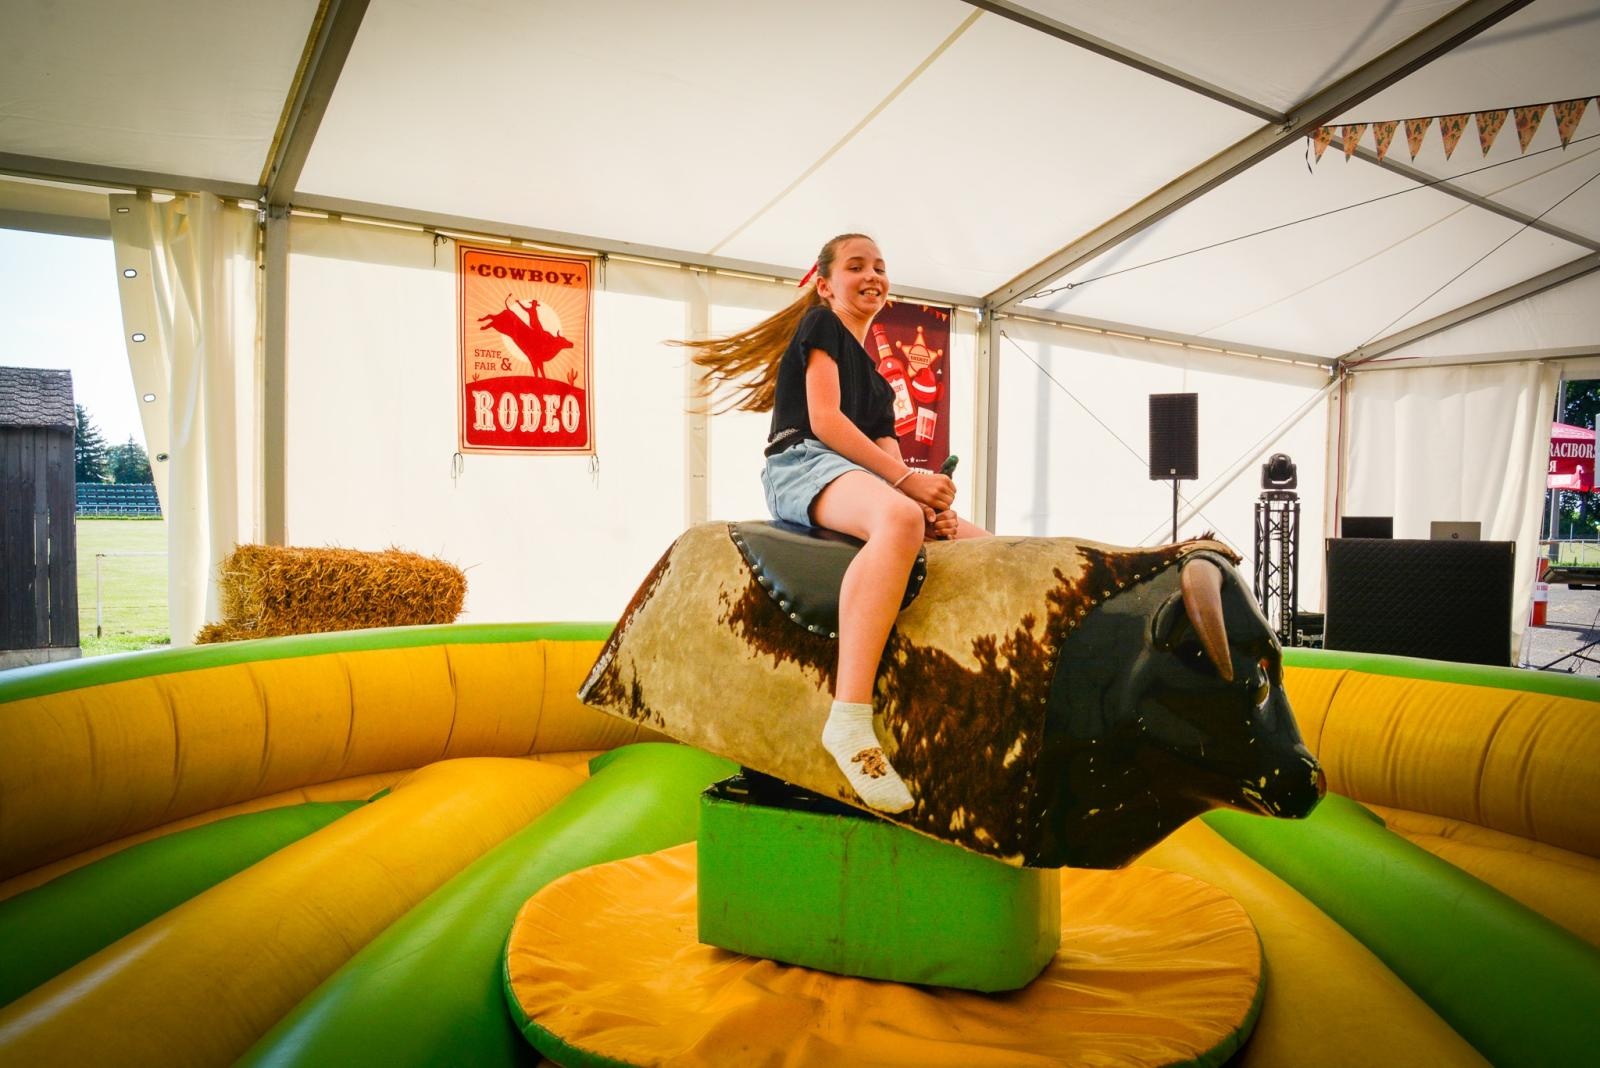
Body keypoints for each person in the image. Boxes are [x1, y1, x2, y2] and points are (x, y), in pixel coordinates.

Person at [685, 233, 988, 813]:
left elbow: (890, 460)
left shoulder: (879, 381)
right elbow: (824, 422)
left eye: (880, 266)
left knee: (988, 546)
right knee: (899, 516)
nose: (873, 274)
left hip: (864, 477)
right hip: (802, 462)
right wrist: (908, 491)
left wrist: (932, 507)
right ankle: (849, 719)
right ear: (825, 284)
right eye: (857, 266)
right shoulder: (821, 325)